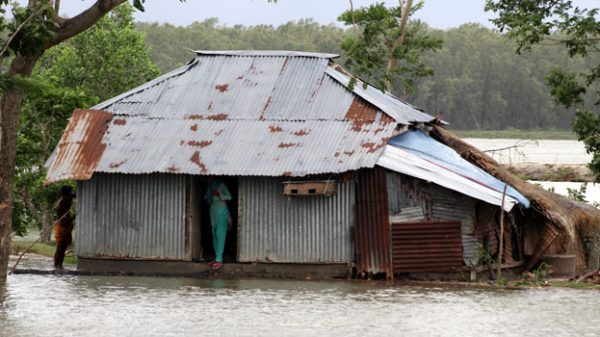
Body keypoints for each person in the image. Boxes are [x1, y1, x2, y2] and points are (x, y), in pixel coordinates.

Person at [204, 177, 232, 270]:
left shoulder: (221, 185)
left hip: (222, 212)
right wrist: (210, 195)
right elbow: (207, 198)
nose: (208, 178)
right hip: (213, 212)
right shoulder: (210, 186)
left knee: (220, 235)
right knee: (214, 234)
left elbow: (229, 196)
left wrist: (219, 194)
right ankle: (216, 258)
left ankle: (219, 260)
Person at [54, 185, 76, 270]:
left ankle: (60, 265)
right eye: (70, 192)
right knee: (60, 247)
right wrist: (73, 217)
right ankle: (57, 266)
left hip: (65, 226)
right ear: (66, 194)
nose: (71, 194)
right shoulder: (62, 202)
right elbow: (64, 217)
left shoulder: (67, 198)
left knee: (64, 246)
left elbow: (75, 195)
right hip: (61, 226)